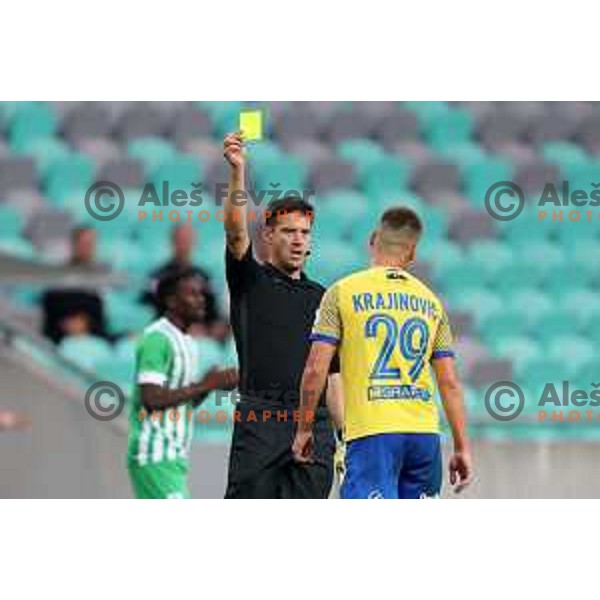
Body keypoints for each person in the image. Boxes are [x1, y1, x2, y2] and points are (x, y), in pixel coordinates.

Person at [292, 207, 472, 499]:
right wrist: (462, 447)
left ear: (373, 239)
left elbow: (316, 369)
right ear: (412, 254)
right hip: (424, 435)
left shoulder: (341, 292)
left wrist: (304, 429)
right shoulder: (432, 302)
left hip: (372, 432)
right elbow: (449, 383)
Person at [222, 131, 343, 499]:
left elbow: (333, 375)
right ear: (268, 235)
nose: (298, 240)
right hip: (261, 421)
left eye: (305, 232)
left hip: (315, 425)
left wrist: (348, 435)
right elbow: (234, 232)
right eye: (288, 231)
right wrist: (238, 171)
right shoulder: (250, 280)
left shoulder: (325, 298)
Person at [127, 267, 238, 499]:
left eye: (201, 294)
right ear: (171, 301)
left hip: (173, 457)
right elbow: (152, 399)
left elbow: (181, 403)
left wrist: (211, 385)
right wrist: (206, 385)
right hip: (154, 454)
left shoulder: (188, 342)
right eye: (192, 294)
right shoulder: (157, 339)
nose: (201, 300)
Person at [142, 223, 224, 338]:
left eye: (188, 239)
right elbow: (149, 309)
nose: (184, 243)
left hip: (200, 334)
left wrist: (208, 328)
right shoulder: (158, 276)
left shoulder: (204, 277)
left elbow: (213, 312)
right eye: (181, 239)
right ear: (172, 241)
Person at [42, 226, 107, 343]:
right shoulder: (59, 276)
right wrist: (69, 323)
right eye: (84, 243)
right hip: (61, 335)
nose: (88, 248)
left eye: (91, 244)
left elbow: (100, 320)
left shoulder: (100, 278)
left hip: (92, 335)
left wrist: (87, 323)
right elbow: (52, 310)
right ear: (74, 244)